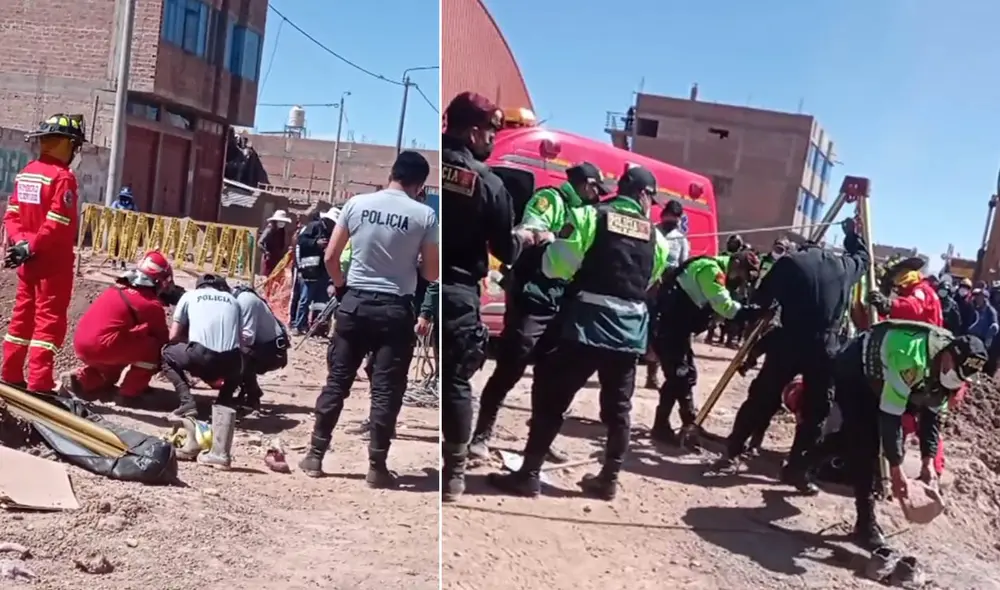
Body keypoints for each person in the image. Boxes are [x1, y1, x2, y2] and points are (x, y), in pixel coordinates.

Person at [488, 165, 674, 500]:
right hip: (629, 333)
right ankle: (608, 479)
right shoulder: (658, 238)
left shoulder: (591, 217)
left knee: (553, 398)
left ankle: (529, 474)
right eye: (652, 199)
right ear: (644, 196)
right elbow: (649, 281)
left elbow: (557, 264)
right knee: (619, 409)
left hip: (585, 326)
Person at [298, 150, 438, 488]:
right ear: (420, 185)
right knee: (386, 391)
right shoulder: (425, 215)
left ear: (391, 173)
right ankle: (377, 467)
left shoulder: (357, 204)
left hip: (355, 304)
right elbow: (432, 272)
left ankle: (315, 455)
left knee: (337, 382)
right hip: (395, 311)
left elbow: (331, 256)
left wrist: (341, 286)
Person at [713, 219, 870, 494]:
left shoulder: (790, 264)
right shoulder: (845, 267)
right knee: (816, 411)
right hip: (826, 346)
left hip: (790, 339)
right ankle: (797, 469)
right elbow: (864, 258)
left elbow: (763, 300)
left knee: (762, 397)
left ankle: (733, 451)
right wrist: (851, 235)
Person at [468, 161, 608, 462]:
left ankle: (541, 439)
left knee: (552, 373)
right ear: (585, 184)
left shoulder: (588, 214)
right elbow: (531, 225)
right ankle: (482, 435)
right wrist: (547, 233)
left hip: (563, 297)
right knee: (512, 364)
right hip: (533, 291)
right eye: (596, 189)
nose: (598, 196)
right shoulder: (552, 199)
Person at [439, 91, 535, 502]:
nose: (494, 139)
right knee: (457, 382)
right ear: (475, 132)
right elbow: (505, 250)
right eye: (492, 130)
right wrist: (528, 237)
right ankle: (454, 476)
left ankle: (375, 461)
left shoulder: (425, 164)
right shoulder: (489, 183)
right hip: (457, 291)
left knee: (388, 371)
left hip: (410, 285)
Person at [832, 321, 987, 548]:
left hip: (884, 377)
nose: (954, 379)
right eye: (954, 372)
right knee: (866, 444)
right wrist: (896, 469)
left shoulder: (951, 375)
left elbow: (932, 418)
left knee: (853, 440)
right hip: (857, 368)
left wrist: (928, 463)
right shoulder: (911, 359)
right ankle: (866, 524)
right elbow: (890, 416)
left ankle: (800, 462)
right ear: (947, 357)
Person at [2, 114, 86, 393]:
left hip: (28, 260)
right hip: (52, 263)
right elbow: (57, 223)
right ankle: (40, 384)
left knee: (22, 319)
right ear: (67, 144)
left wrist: (21, 244)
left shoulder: (27, 172)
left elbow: (12, 214)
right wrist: (33, 245)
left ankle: (10, 373)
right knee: (48, 324)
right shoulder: (63, 178)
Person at [60, 251, 177, 403]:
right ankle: (130, 393)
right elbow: (162, 341)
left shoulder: (116, 288)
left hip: (83, 342)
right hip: (102, 346)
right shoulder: (150, 304)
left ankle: (80, 380)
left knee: (112, 371)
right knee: (154, 351)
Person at [161, 274, 245, 417]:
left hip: (201, 357)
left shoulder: (189, 296)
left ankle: (187, 402)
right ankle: (224, 402)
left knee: (166, 353)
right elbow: (240, 340)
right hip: (231, 363)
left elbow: (173, 336)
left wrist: (190, 340)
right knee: (240, 359)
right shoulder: (234, 301)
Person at [644, 200, 691, 390]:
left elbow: (683, 265)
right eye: (669, 215)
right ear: (663, 215)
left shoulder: (680, 239)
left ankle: (654, 375)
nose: (671, 220)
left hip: (666, 291)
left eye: (675, 217)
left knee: (660, 331)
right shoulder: (651, 231)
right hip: (647, 287)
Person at [233, 284, 289, 414]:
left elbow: (248, 337)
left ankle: (253, 397)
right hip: (261, 347)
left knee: (238, 353)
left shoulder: (245, 300)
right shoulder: (236, 298)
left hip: (273, 351)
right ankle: (246, 391)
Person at [293, 207, 339, 334]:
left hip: (324, 271)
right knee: (305, 299)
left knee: (320, 301)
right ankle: (299, 325)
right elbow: (301, 241)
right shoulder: (313, 227)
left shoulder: (333, 232)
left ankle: (316, 328)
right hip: (310, 269)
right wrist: (316, 243)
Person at [868, 263, 942, 326]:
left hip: (922, 339)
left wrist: (889, 305)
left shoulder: (923, 290)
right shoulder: (918, 291)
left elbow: (914, 308)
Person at [259, 209, 292, 277]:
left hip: (277, 258)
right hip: (269, 258)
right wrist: (266, 252)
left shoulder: (281, 230)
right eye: (280, 221)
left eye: (283, 221)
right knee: (267, 277)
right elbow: (260, 243)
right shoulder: (270, 229)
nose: (282, 223)